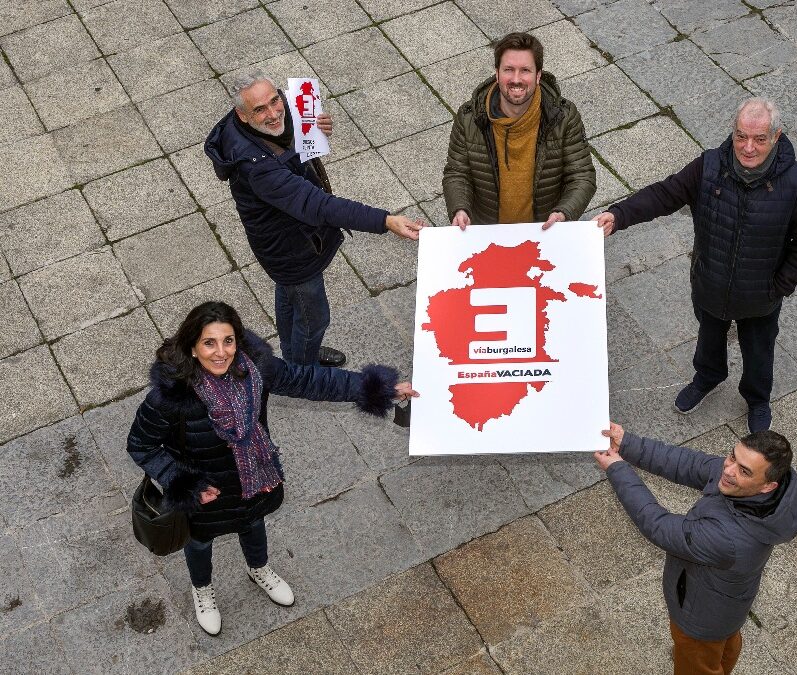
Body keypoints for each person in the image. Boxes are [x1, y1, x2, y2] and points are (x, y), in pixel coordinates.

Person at [126, 302, 418, 636]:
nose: (221, 352)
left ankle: (259, 569)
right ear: (192, 347)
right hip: (205, 491)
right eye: (209, 343)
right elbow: (140, 445)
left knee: (253, 523)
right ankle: (202, 590)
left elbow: (311, 380)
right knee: (200, 543)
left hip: (255, 476)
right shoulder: (168, 397)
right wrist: (183, 482)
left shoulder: (256, 369)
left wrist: (378, 389)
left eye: (228, 341)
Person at [594, 98, 797, 432]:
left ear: (776, 137)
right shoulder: (709, 166)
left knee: (759, 351)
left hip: (761, 296)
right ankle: (708, 376)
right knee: (709, 337)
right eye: (741, 136)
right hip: (710, 283)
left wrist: (780, 285)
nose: (747, 147)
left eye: (759, 139)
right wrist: (620, 215)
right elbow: (665, 194)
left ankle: (757, 399)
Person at [205, 74, 423, 368]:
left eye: (275, 100)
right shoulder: (257, 169)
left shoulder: (262, 121)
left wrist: (315, 130)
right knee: (314, 317)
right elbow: (318, 204)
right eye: (260, 109)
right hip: (290, 250)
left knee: (289, 296)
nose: (273, 113)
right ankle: (304, 370)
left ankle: (293, 353)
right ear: (242, 115)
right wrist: (385, 220)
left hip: (286, 241)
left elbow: (288, 134)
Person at [594, 422, 797, 675]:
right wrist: (627, 442)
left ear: (767, 486)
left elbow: (657, 525)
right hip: (726, 606)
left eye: (744, 471)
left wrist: (618, 469)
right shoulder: (774, 488)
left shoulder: (727, 538)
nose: (727, 470)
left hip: (701, 621)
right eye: (731, 456)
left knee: (698, 661)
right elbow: (689, 463)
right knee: (724, 649)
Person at [442, 32, 596, 230]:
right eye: (508, 69)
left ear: (538, 75)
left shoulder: (563, 117)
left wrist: (564, 212)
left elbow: (582, 176)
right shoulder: (469, 118)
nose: (516, 79)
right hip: (487, 232)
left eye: (525, 70)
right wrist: (460, 209)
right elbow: (457, 173)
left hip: (542, 231)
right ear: (496, 73)